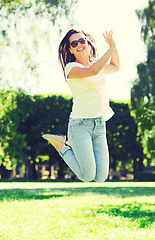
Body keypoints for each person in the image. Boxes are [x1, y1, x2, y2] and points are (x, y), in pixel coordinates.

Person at [42, 28, 120, 182]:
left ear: (88, 42)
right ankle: (60, 146)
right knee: (87, 176)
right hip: (80, 125)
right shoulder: (71, 68)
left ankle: (65, 144)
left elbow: (115, 67)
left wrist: (114, 46)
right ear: (70, 49)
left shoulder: (97, 65)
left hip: (99, 124)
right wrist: (110, 48)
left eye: (82, 40)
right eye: (74, 43)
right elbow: (92, 70)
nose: (79, 44)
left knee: (101, 177)